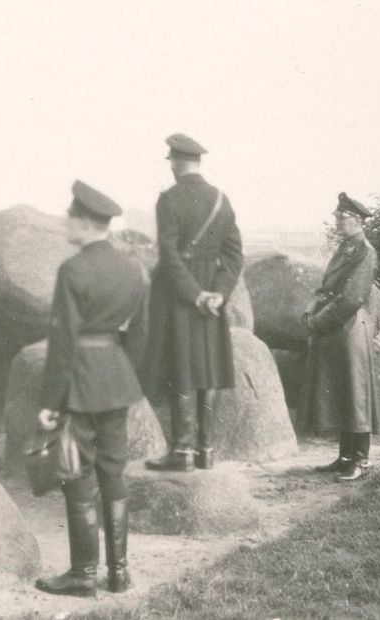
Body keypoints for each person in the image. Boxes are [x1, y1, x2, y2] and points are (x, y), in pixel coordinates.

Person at [34, 180, 148, 598]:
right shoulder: (133, 267)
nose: (66, 222)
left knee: (76, 473)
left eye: (70, 216)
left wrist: (49, 402)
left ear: (85, 222)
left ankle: (83, 575)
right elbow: (141, 333)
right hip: (116, 378)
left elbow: (62, 341)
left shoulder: (73, 270)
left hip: (79, 381)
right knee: (114, 471)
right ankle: (119, 573)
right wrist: (123, 374)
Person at [141, 133, 243, 472]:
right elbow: (233, 254)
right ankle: (206, 451)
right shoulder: (221, 199)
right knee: (207, 370)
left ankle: (181, 452)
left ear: (175, 162)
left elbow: (168, 256)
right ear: (197, 163)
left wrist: (193, 294)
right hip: (211, 295)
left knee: (180, 369)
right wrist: (218, 292)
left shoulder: (168, 199)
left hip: (179, 295)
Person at [299, 193, 380, 482]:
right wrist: (310, 312)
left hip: (348, 330)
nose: (337, 220)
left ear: (356, 220)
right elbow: (326, 287)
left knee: (356, 395)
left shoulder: (364, 250)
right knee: (345, 393)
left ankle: (361, 460)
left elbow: (352, 297)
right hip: (336, 329)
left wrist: (318, 321)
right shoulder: (347, 247)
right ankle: (345, 456)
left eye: (341, 217)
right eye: (337, 216)